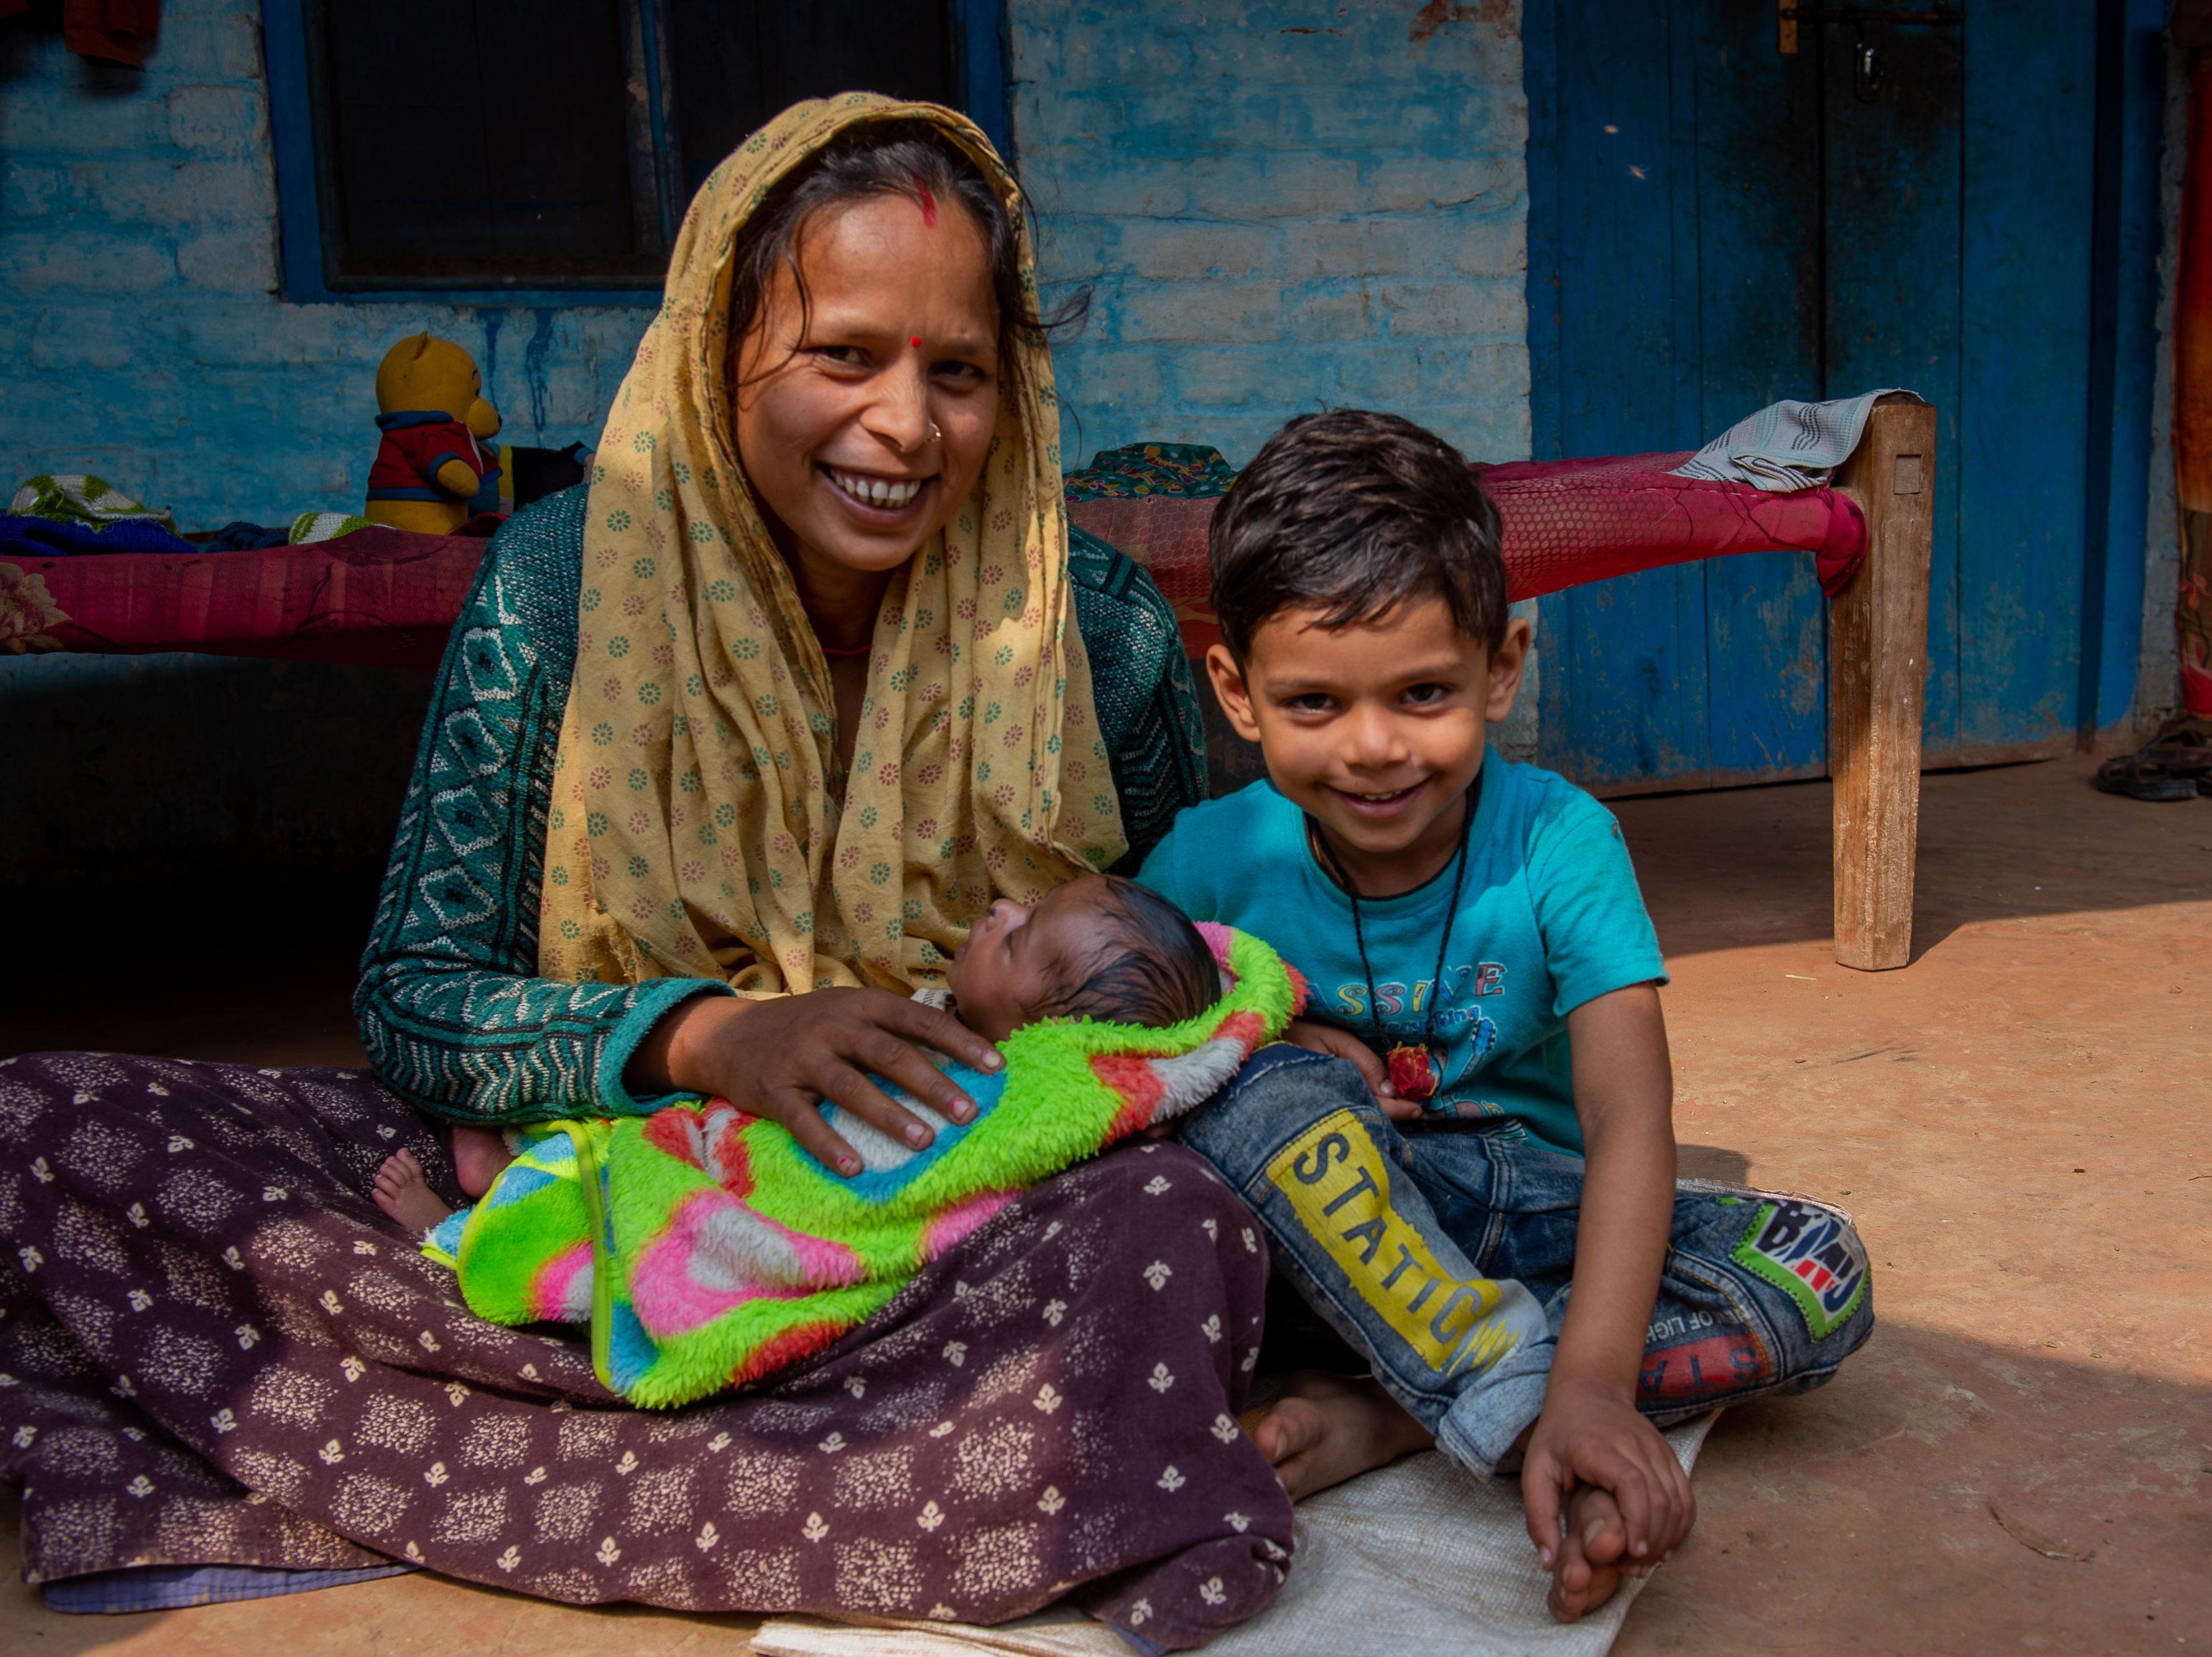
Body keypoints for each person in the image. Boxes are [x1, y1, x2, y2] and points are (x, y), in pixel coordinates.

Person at [0, 99, 1299, 1651]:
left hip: (936, 1237)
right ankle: (884, 1472)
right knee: (43, 1126)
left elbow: (1191, 982)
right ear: (714, 348)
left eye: (957, 373)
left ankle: (577, 1440)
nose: (904, 425)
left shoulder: (1089, 620)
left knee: (1167, 1220)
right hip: (620, 1185)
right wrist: (707, 1039)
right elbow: (418, 998)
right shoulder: (558, 583)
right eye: (843, 356)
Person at [1140, 409, 1878, 1622]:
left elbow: (1629, 1117)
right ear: (1237, 690)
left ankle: (1404, 1405)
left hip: (1521, 1215)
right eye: (1315, 704)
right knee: (1248, 1104)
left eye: (1424, 692)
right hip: (1320, 1237)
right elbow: (1120, 1060)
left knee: (1816, 1274)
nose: (1376, 749)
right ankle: (1475, 1380)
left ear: (1502, 667)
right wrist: (1264, 1038)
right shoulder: (1206, 860)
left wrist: (1592, 1377)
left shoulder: (1560, 839)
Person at [367, 873, 1224, 1233]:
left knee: (623, 1220)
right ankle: (518, 1149)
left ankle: (457, 1228)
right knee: (630, 1129)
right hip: (723, 1111)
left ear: (1039, 1038)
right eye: (1021, 907)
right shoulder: (943, 1013)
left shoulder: (983, 1097)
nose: (998, 907)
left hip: (761, 1184)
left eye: (1018, 936)